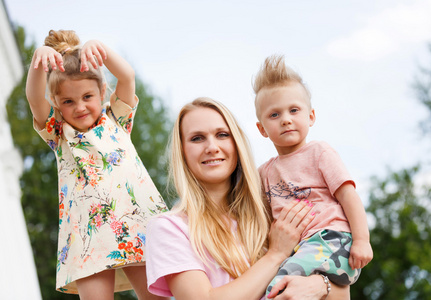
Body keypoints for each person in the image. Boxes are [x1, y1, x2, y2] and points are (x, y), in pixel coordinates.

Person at [145, 97, 350, 299]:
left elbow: (340, 279)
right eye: (197, 138)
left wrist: (321, 285)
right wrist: (275, 255)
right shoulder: (169, 228)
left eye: (222, 135)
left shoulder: (274, 214)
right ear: (182, 151)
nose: (212, 147)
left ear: (237, 143)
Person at [25, 29, 168, 299]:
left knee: (157, 295)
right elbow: (34, 98)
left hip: (137, 224)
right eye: (68, 101)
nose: (79, 107)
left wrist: (99, 47)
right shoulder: (59, 134)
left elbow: (127, 76)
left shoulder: (117, 120)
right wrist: (37, 61)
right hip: (87, 237)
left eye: (87, 97)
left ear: (102, 91)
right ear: (56, 103)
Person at [252, 55, 373, 297]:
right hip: (299, 250)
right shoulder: (264, 172)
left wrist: (362, 240)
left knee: (276, 289)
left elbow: (349, 197)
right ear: (262, 129)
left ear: (311, 116)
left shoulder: (319, 153)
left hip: (332, 241)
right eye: (274, 115)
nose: (286, 119)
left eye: (294, 110)